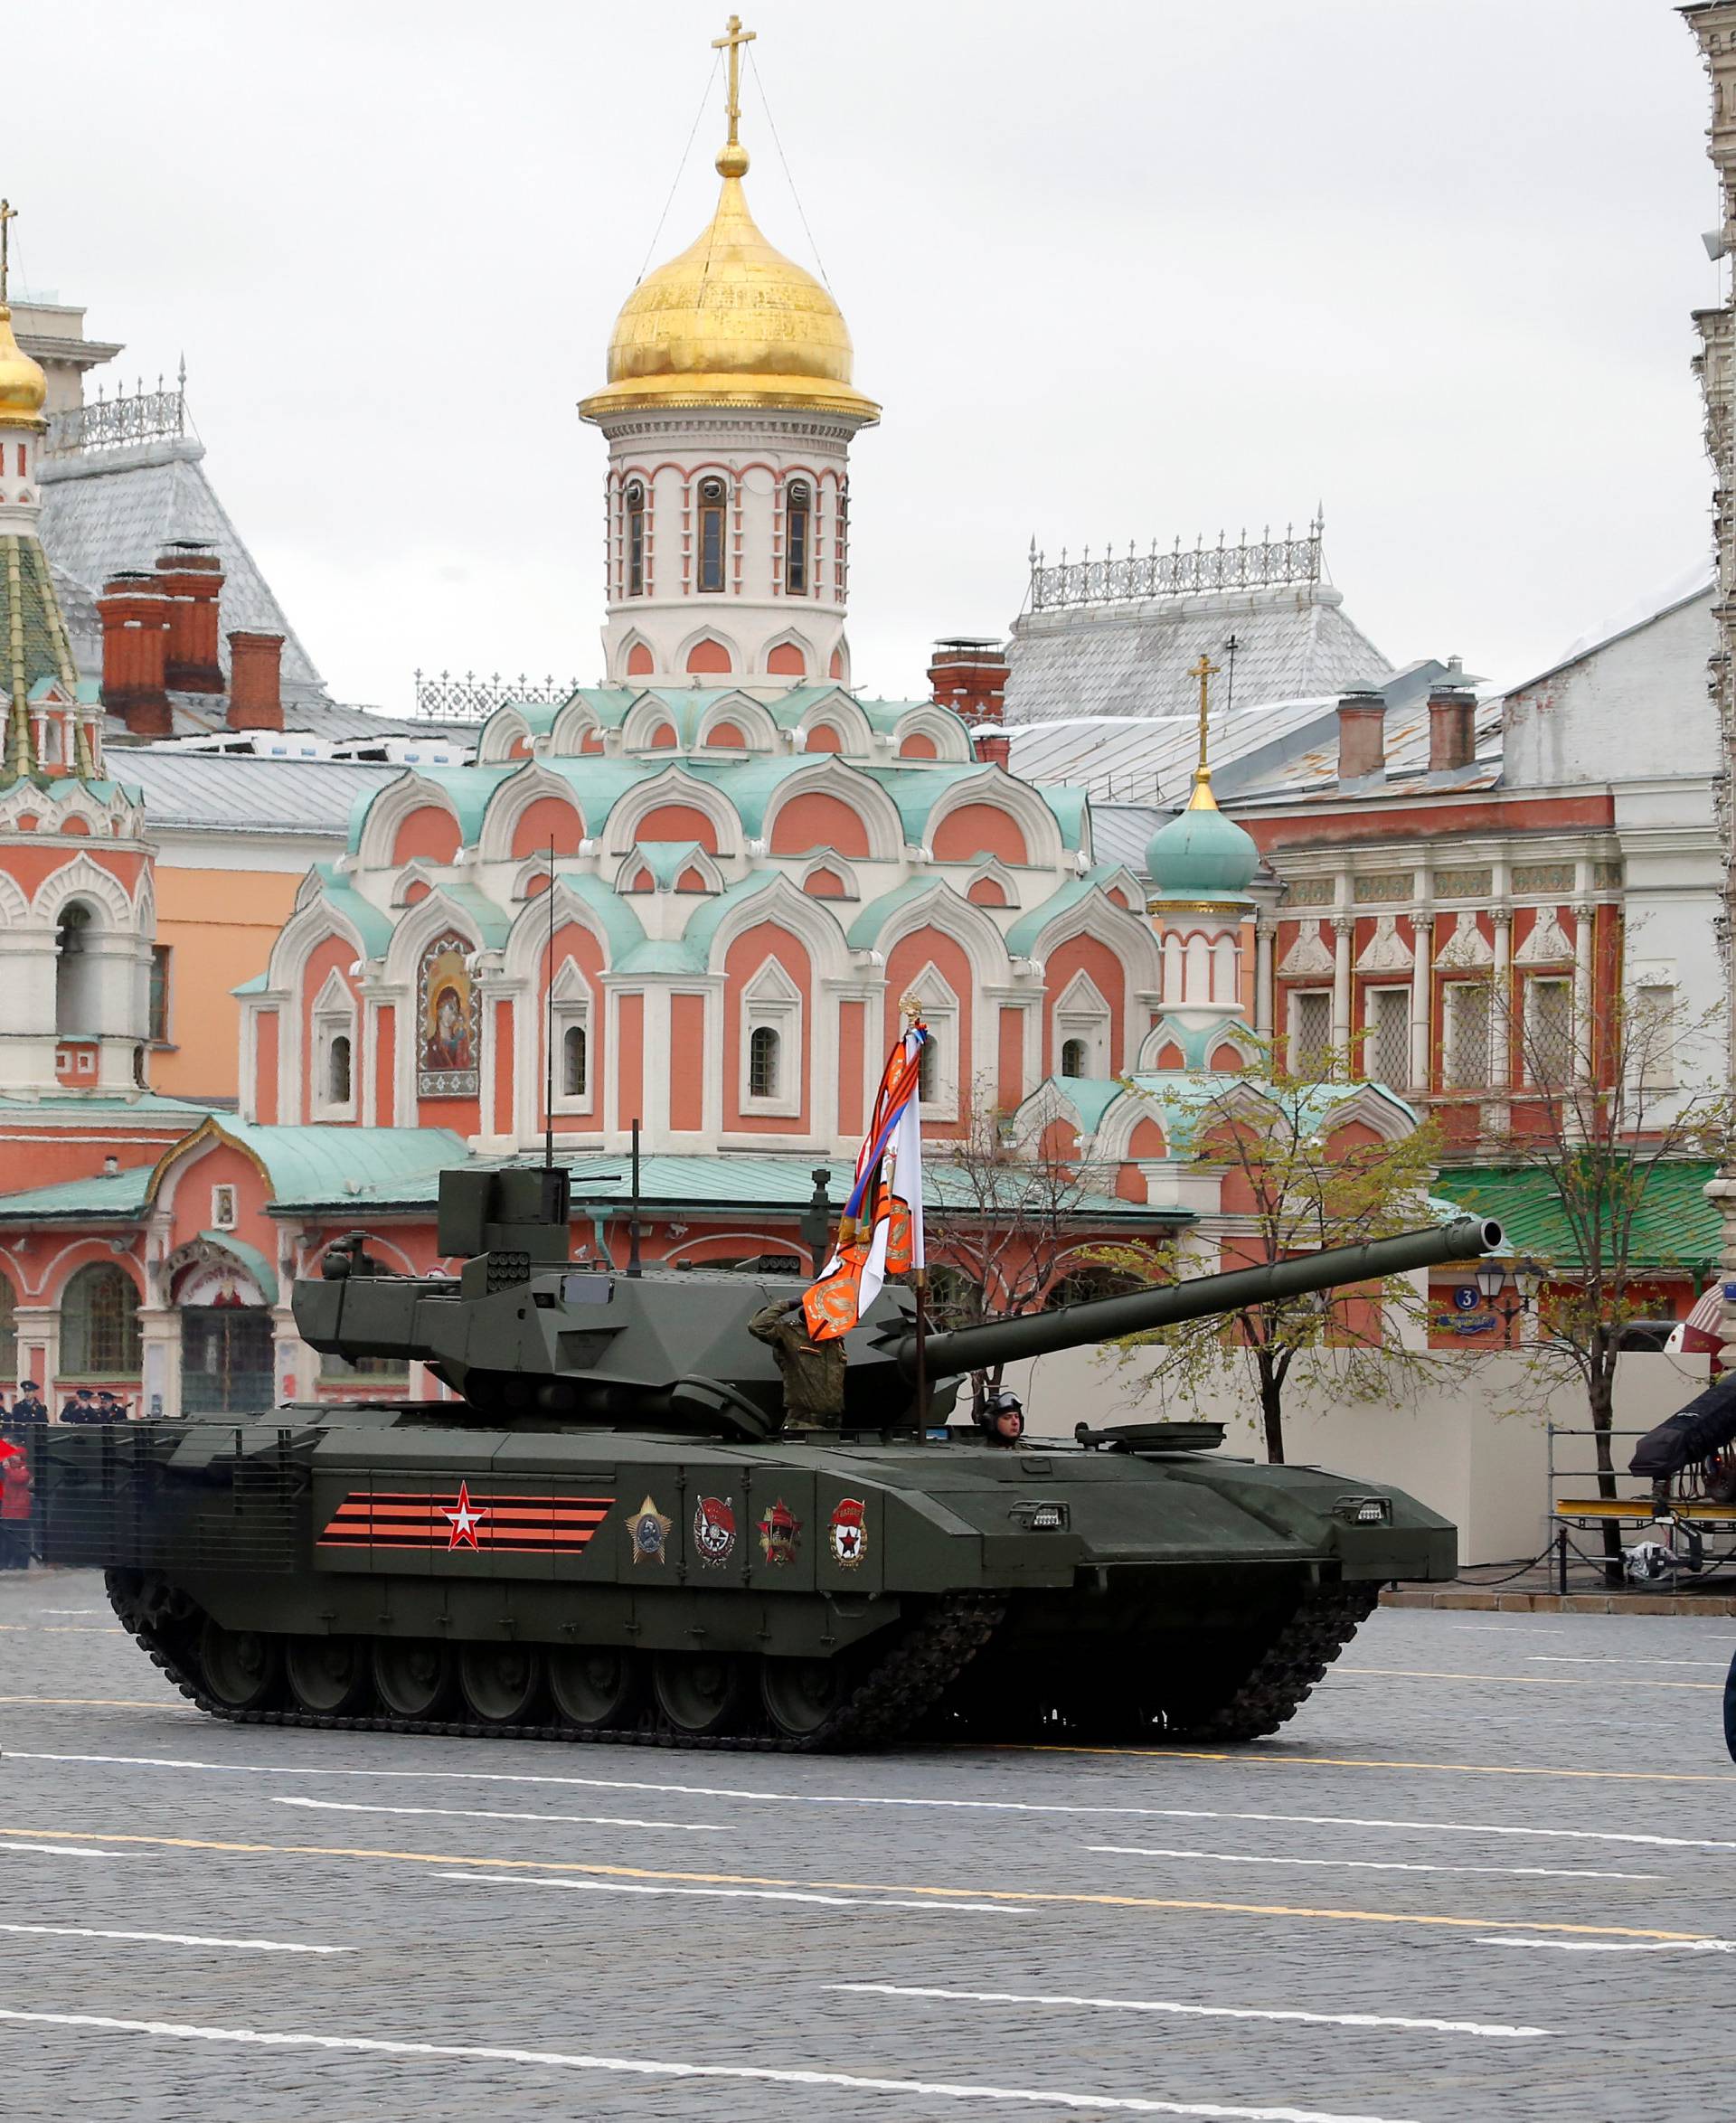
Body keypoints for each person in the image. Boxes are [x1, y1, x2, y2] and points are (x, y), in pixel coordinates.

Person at [748, 1293, 846, 1435]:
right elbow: (757, 1326)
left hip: (833, 1426)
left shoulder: (835, 1342)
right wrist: (790, 1303)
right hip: (803, 1425)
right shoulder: (792, 1334)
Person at [0, 1435, 31, 1570]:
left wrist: (7, 1464)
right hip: (7, 1507)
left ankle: (18, 1565)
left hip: (18, 1509)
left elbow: (19, 1479)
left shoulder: (20, 1466)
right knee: (6, 1540)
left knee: (18, 1539)